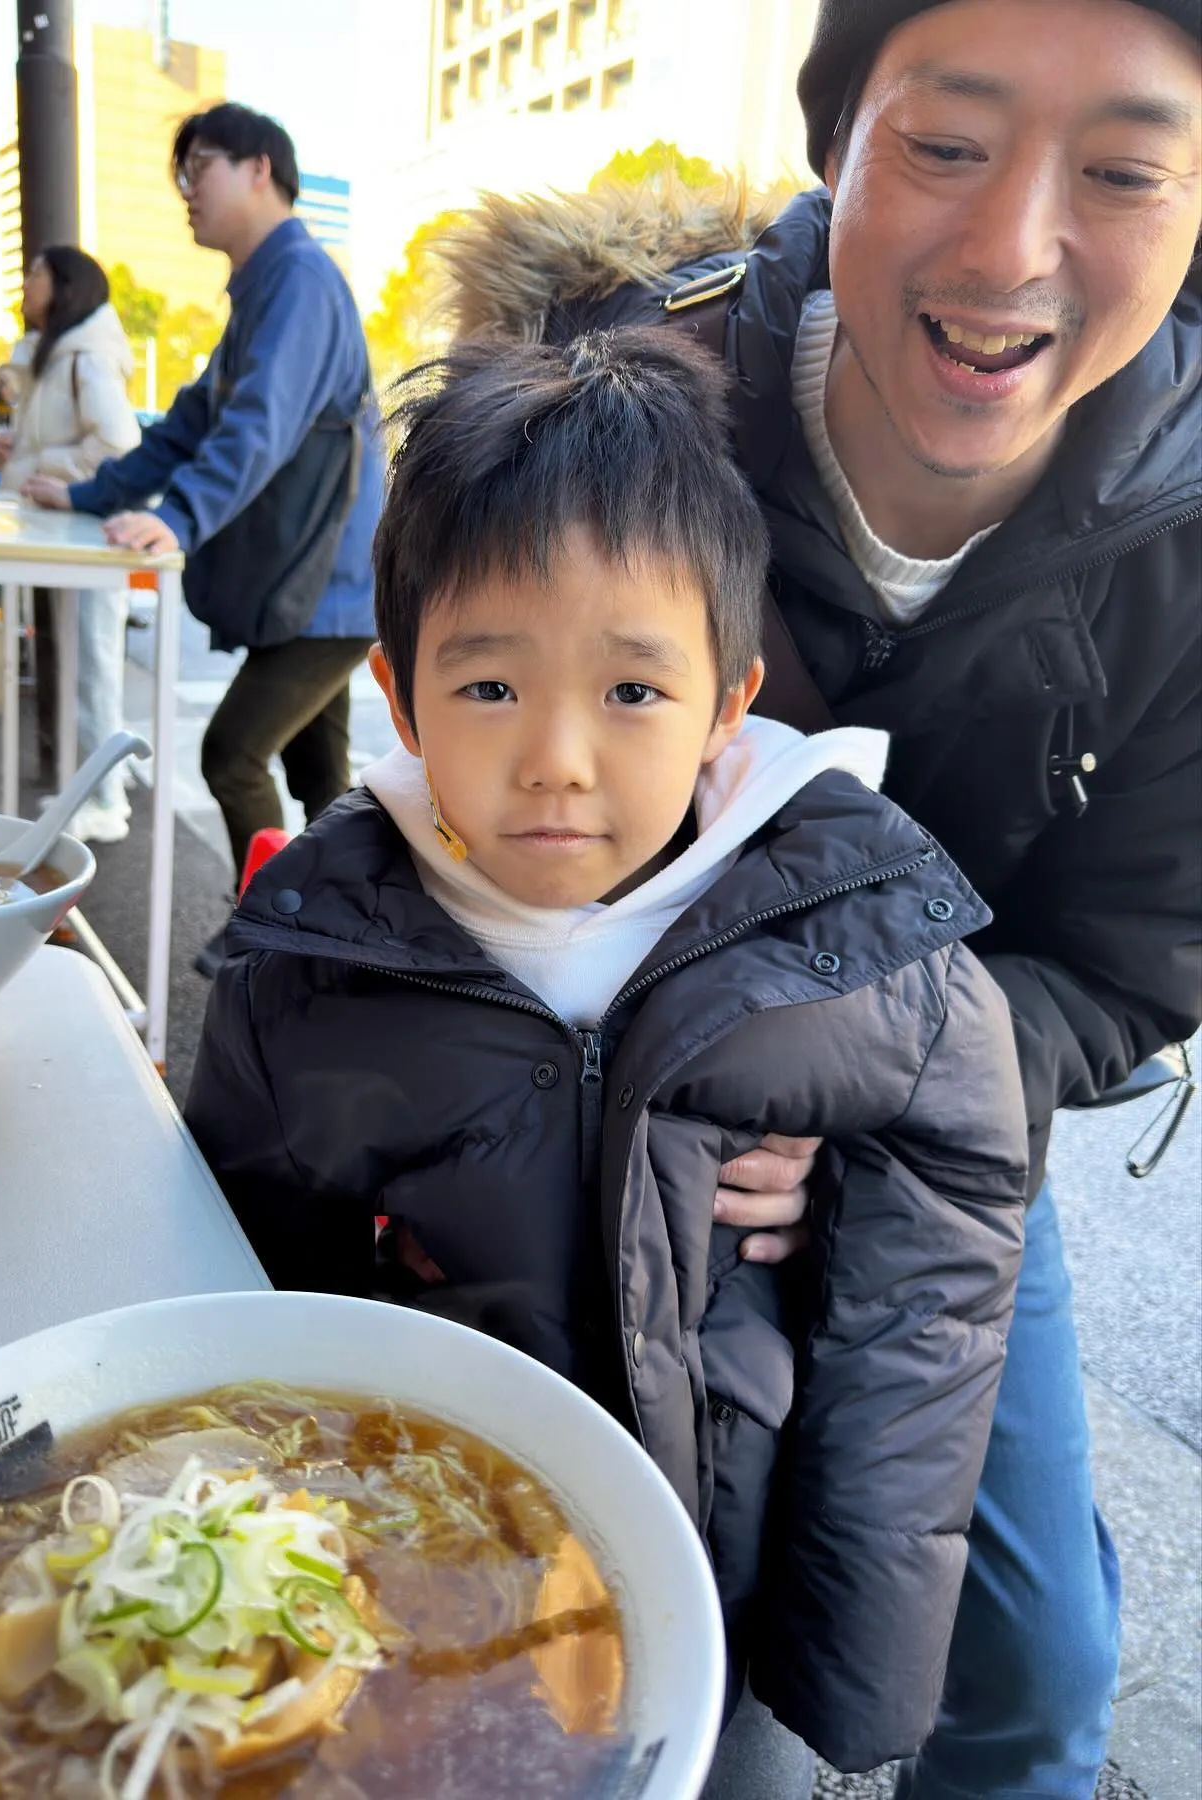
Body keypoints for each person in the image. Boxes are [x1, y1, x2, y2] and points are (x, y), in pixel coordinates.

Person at [433, 1, 1202, 1794]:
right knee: (598, 1631)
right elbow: (442, 777)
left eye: (1126, 170)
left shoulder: (1187, 541)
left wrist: (876, 1091)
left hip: (946, 1120)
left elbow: (1130, 953)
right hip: (594, 1095)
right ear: (834, 139)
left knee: (1027, 1674)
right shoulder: (617, 413)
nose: (1013, 248)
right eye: (945, 144)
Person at [184, 327, 1030, 1774]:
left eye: (633, 691)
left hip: (739, 1585)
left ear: (728, 701)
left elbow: (934, 1290)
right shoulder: (317, 961)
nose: (560, 759)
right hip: (447, 1588)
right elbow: (251, 1283)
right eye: (492, 687)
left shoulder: (846, 938)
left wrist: (852, 1663)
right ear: (397, 694)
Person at [23, 104, 383, 965]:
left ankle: (271, 933)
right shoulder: (265, 287)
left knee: (232, 754)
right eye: (181, 174)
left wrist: (176, 516)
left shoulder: (298, 280)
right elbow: (188, 425)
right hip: (315, 582)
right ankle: (346, 942)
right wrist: (89, 495)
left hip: (329, 583)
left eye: (201, 168)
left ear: (261, 168)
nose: (187, 190)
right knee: (321, 780)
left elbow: (256, 424)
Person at [0, 248, 143, 843]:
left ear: (65, 286)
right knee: (89, 664)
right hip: (79, 537)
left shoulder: (85, 357)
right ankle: (97, 787)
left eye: (35, 273)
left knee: (93, 667)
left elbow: (117, 443)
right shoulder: (60, 355)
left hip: (93, 537)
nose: (26, 283)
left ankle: (106, 800)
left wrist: (42, 463)